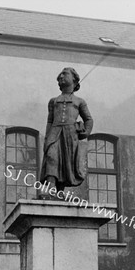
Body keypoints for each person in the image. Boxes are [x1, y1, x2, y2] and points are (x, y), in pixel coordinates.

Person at [39, 67, 93, 197]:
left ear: (74, 79)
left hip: (70, 133)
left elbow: (88, 119)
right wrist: (47, 138)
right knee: (52, 156)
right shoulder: (53, 101)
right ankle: (51, 186)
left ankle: (60, 191)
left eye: (65, 74)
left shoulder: (79, 101)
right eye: (60, 75)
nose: (61, 76)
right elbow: (50, 121)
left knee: (66, 160)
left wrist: (86, 132)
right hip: (55, 131)